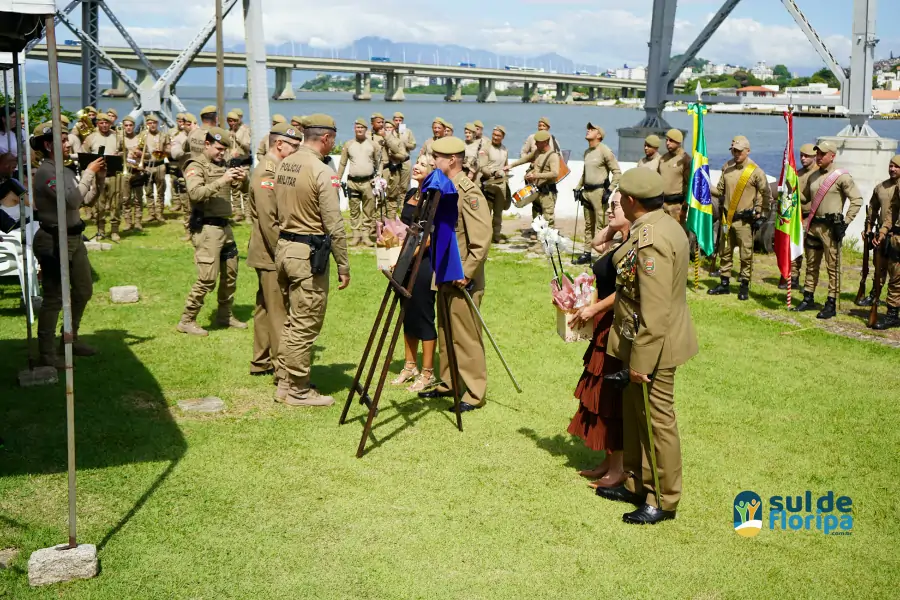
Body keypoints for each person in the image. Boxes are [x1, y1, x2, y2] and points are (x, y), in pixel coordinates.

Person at [596, 167, 698, 525]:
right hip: (637, 338)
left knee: (657, 421)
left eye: (621, 197)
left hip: (653, 345)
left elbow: (656, 310)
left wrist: (640, 361)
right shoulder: (660, 224)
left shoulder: (652, 238)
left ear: (631, 200)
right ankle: (637, 481)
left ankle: (663, 499)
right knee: (636, 417)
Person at [273, 113, 351, 406]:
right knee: (305, 323)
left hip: (285, 248)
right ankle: (298, 390)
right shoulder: (321, 171)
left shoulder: (285, 163)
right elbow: (334, 223)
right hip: (308, 254)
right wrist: (343, 264)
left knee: (292, 321)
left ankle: (284, 381)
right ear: (327, 138)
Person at [417, 136, 492, 412]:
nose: (432, 161)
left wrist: (469, 272)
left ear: (452, 160)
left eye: (436, 157)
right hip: (445, 271)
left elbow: (482, 237)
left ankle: (473, 392)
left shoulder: (468, 192)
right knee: (446, 329)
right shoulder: (444, 187)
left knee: (465, 335)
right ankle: (449, 382)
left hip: (462, 276)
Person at [567, 193, 630, 489]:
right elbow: (596, 244)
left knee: (613, 399)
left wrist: (593, 308)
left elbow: (625, 291)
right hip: (603, 324)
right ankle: (608, 459)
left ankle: (619, 468)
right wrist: (616, 224)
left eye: (615, 205)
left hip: (617, 325)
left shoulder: (635, 245)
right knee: (601, 394)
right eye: (608, 205)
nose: (608, 210)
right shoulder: (620, 240)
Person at [31, 122, 105, 367]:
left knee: (83, 289)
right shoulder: (46, 172)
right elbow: (72, 201)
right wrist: (89, 172)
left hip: (74, 237)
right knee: (53, 297)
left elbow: (86, 201)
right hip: (53, 239)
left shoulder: (64, 170)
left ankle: (69, 340)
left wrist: (99, 180)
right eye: (62, 140)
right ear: (48, 145)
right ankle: (47, 354)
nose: (67, 143)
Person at [177, 126, 248, 336]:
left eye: (224, 149)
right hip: (206, 228)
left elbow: (243, 191)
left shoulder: (222, 165)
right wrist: (222, 180)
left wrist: (243, 181)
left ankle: (225, 314)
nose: (221, 153)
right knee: (207, 278)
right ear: (207, 144)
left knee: (230, 275)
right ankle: (187, 319)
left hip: (225, 227)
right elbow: (196, 193)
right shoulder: (195, 165)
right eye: (218, 149)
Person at [247, 122, 302, 389]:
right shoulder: (267, 172)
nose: (296, 151)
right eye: (293, 146)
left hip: (265, 250)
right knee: (278, 309)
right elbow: (270, 221)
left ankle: (261, 360)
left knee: (264, 307)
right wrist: (282, 253)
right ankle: (284, 371)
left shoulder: (274, 169)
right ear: (279, 144)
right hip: (270, 251)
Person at [793, 141, 863, 318]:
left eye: (822, 154)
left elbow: (857, 200)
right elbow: (805, 199)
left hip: (830, 229)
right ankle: (808, 297)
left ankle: (831, 302)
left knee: (833, 267)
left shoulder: (842, 177)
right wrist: (791, 187)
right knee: (811, 264)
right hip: (813, 226)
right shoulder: (813, 176)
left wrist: (845, 222)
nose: (818, 157)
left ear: (832, 155)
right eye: (817, 154)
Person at [392, 157, 439, 392]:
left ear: (433, 170)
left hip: (423, 261)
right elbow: (402, 227)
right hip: (404, 259)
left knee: (423, 314)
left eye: (423, 164)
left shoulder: (434, 197)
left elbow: (431, 234)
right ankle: (409, 365)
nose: (417, 166)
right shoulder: (412, 192)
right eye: (417, 162)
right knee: (405, 313)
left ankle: (428, 372)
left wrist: (409, 256)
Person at [708, 135, 771, 301]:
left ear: (747, 151)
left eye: (739, 151)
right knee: (725, 252)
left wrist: (762, 214)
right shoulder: (727, 167)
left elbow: (765, 194)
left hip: (745, 220)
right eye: (734, 151)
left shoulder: (755, 171)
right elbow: (720, 191)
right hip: (728, 219)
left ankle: (743, 285)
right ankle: (724, 283)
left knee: (745, 254)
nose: (736, 154)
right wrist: (705, 186)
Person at [574, 122, 621, 265]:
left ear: (599, 135)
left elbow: (617, 172)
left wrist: (610, 190)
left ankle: (601, 255)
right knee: (588, 225)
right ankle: (587, 253)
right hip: (586, 192)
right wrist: (578, 187)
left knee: (601, 224)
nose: (588, 130)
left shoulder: (605, 151)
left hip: (599, 192)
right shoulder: (587, 152)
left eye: (592, 129)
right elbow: (585, 172)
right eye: (588, 128)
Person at [856, 154, 898, 305]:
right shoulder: (881, 187)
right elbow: (873, 209)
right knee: (880, 266)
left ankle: (893, 302)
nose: (892, 169)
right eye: (890, 166)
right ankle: (875, 294)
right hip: (882, 234)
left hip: (897, 235)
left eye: (896, 166)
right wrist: (868, 228)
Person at [337, 118, 381, 246]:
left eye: (362, 127)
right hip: (352, 182)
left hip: (368, 182)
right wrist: (337, 180)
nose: (359, 130)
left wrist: (378, 178)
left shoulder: (373, 145)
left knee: (369, 210)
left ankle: (366, 236)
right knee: (354, 210)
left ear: (366, 129)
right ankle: (356, 235)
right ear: (354, 129)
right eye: (357, 127)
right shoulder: (348, 144)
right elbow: (342, 163)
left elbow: (378, 163)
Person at [506, 130, 560, 234]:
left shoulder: (553, 156)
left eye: (537, 142)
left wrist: (535, 175)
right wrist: (511, 165)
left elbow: (554, 173)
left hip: (547, 193)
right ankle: (540, 241)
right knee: (537, 218)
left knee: (548, 219)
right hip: (537, 191)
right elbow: (525, 159)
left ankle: (548, 246)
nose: (535, 144)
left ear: (545, 142)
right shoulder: (537, 152)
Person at [781, 143, 818, 290]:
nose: (803, 158)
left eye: (806, 156)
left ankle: (809, 282)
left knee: (811, 252)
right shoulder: (797, 173)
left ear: (814, 157)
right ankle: (793, 277)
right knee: (794, 248)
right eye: (801, 156)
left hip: (811, 217)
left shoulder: (817, 175)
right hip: (796, 216)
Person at [81, 113, 122, 240]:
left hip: (113, 174)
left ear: (110, 124)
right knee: (99, 203)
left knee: (115, 202)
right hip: (98, 176)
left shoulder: (117, 137)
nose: (104, 125)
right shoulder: (91, 137)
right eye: (101, 123)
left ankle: (115, 230)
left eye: (107, 123)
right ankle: (101, 230)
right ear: (97, 123)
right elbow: (84, 154)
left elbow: (125, 153)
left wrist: (119, 154)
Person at [872, 160, 900, 330]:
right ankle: (892, 315)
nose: (892, 169)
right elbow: (892, 211)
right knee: (895, 278)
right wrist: (883, 231)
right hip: (897, 237)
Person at [479, 125, 511, 244]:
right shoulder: (485, 148)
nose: (495, 137)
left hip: (501, 184)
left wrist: (505, 173)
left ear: (503, 137)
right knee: (486, 212)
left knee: (498, 211)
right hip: (488, 184)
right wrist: (493, 172)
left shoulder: (504, 149)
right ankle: (484, 237)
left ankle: (496, 235)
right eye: (494, 135)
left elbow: (506, 166)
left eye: (498, 136)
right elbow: (482, 167)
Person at [657, 129, 691, 224]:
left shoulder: (685, 159)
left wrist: (684, 208)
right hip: (662, 205)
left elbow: (689, 185)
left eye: (671, 140)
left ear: (679, 142)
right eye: (666, 140)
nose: (667, 143)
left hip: (677, 207)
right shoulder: (662, 159)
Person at [226, 110, 253, 222]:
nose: (231, 123)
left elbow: (248, 147)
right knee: (234, 190)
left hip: (243, 163)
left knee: (245, 190)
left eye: (233, 121)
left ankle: (248, 214)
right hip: (232, 163)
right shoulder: (227, 132)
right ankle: (238, 213)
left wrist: (237, 139)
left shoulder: (245, 130)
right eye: (229, 121)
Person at [142, 114, 169, 223]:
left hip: (159, 165)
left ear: (157, 124)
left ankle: (159, 213)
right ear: (146, 124)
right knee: (148, 191)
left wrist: (164, 151)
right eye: (149, 123)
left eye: (154, 123)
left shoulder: (163, 135)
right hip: (147, 166)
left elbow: (168, 149)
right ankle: (151, 213)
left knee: (160, 190)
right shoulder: (142, 135)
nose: (152, 125)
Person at [120, 116, 145, 233]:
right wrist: (125, 154)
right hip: (125, 171)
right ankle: (128, 222)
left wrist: (140, 153)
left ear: (134, 126)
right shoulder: (120, 138)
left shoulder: (139, 138)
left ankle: (138, 222)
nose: (128, 128)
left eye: (130, 125)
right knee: (125, 199)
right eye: (126, 125)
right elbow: (116, 153)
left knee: (138, 199)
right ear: (123, 126)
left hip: (137, 171)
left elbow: (148, 154)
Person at [380, 120, 408, 219]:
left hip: (395, 170)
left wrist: (394, 155)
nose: (387, 129)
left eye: (390, 128)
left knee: (392, 198)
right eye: (386, 128)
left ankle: (391, 222)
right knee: (381, 199)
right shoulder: (379, 140)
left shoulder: (398, 141)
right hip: (383, 171)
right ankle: (381, 222)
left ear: (393, 129)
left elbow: (402, 154)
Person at [393, 111, 416, 191]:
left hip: (405, 161)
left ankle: (404, 201)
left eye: (400, 120)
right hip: (394, 161)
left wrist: (406, 144)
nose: (398, 122)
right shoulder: (390, 131)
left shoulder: (407, 131)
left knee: (405, 185)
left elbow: (413, 145)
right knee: (394, 184)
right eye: (396, 120)